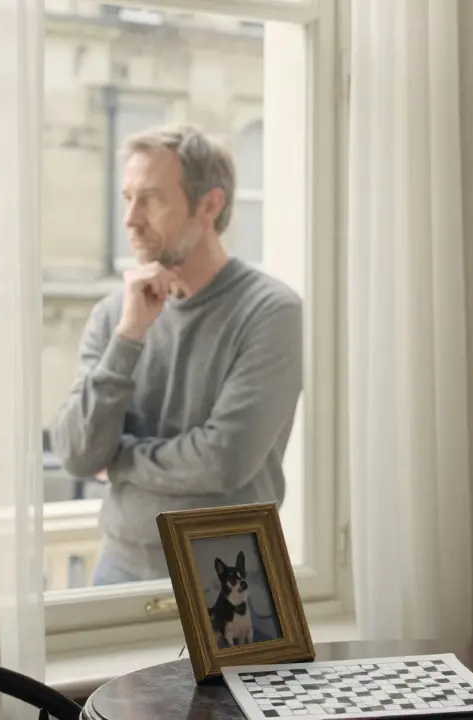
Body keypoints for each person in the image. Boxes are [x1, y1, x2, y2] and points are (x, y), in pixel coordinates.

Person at [51, 124, 303, 585]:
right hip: (120, 568)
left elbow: (224, 459)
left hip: (232, 573)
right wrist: (129, 336)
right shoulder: (115, 314)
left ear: (209, 205)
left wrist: (121, 460)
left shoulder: (271, 311)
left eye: (151, 198)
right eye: (128, 198)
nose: (130, 219)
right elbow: (77, 454)